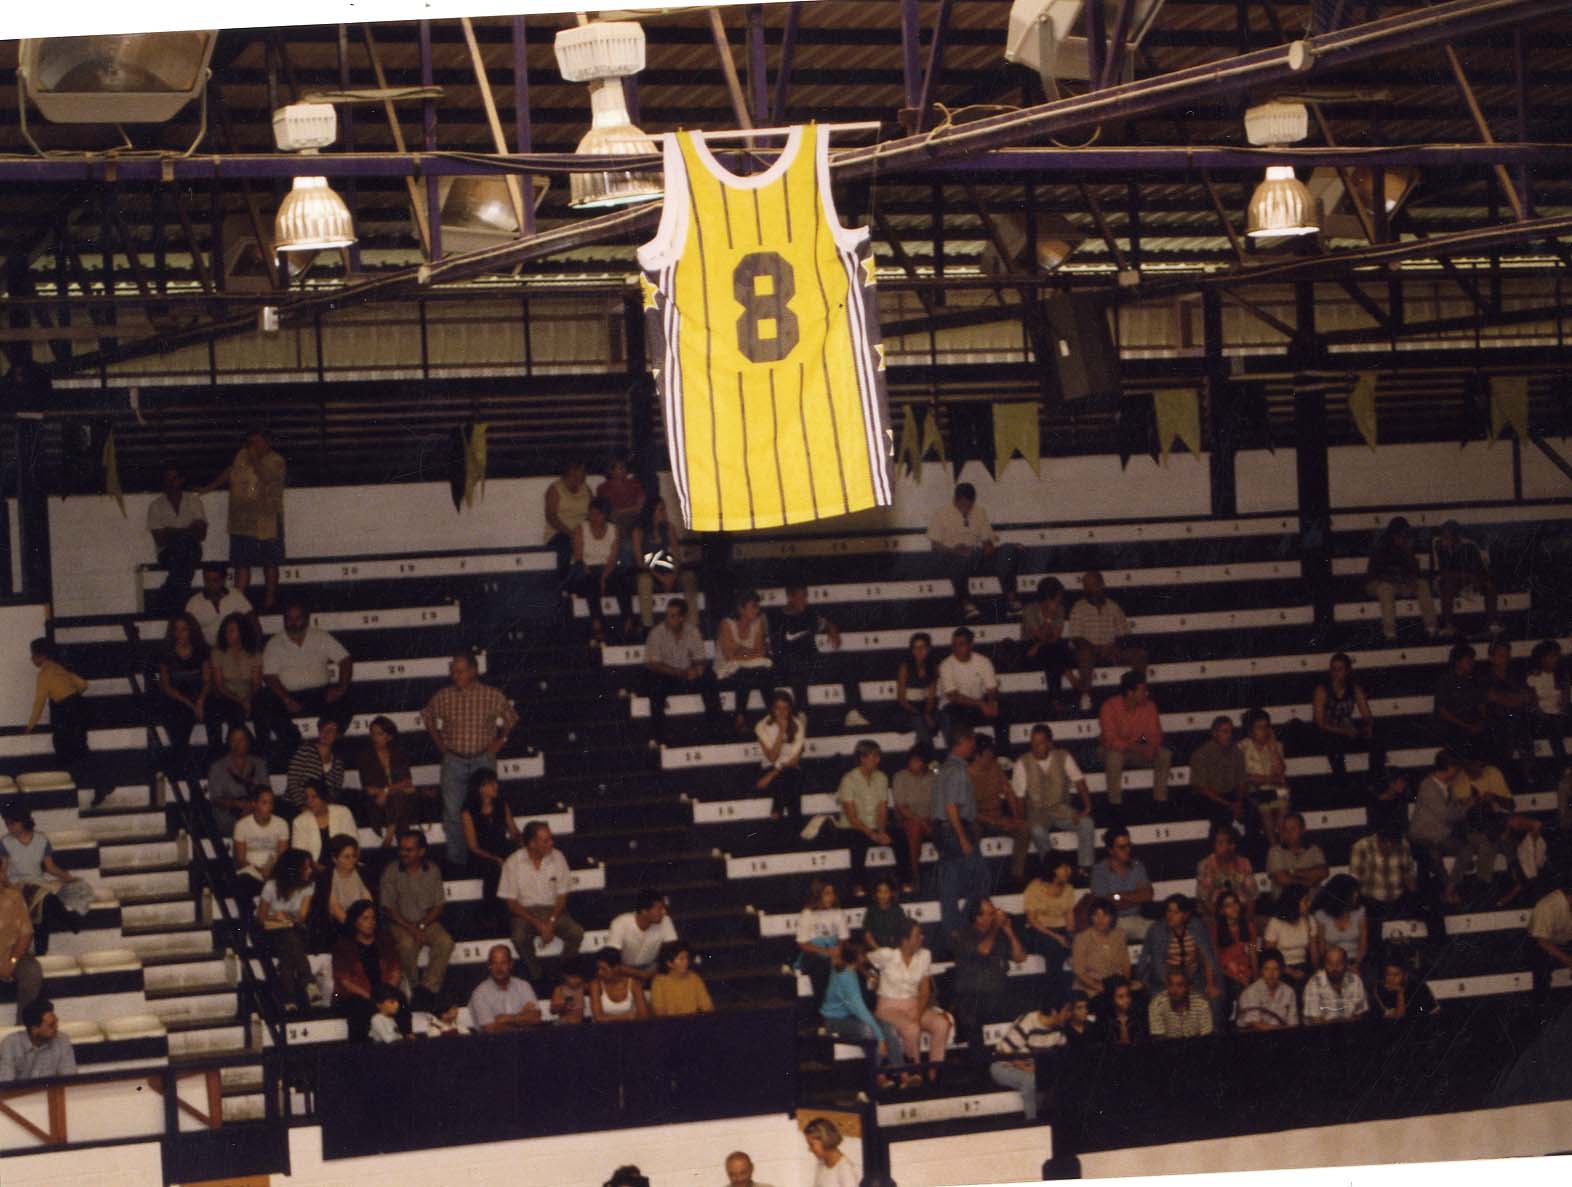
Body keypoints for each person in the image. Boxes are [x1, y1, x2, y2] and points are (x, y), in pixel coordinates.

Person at [420, 651, 518, 867]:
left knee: (486, 810)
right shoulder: (443, 696)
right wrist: (438, 742)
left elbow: (511, 719)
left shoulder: (492, 695)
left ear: (474, 671)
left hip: (483, 759)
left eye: (460, 671)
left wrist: (500, 742)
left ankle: (488, 859)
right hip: (453, 760)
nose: (455, 675)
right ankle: (458, 862)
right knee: (453, 813)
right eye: (452, 671)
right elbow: (427, 716)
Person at [256, 601, 353, 756]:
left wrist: (341, 688)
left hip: (319, 694)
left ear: (307, 619)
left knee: (347, 694)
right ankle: (293, 744)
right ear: (284, 621)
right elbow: (269, 676)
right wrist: (286, 698)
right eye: (289, 619)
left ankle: (327, 739)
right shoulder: (275, 643)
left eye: (298, 618)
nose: (293, 623)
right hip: (288, 695)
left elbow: (345, 660)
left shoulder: (320, 636)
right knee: (263, 699)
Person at [203, 426, 286, 609]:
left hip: (267, 520)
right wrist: (208, 488)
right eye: (250, 442)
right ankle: (238, 601)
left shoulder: (276, 460)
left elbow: (265, 478)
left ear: (266, 442)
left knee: (270, 561)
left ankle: (270, 599)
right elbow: (230, 472)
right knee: (242, 563)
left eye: (256, 442)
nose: (252, 446)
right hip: (241, 520)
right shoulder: (241, 455)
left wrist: (255, 459)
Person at [500, 821, 584, 983]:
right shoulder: (512, 862)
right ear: (532, 843)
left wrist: (551, 922)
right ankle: (536, 974)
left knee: (576, 933)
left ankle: (564, 970)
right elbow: (511, 903)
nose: (551, 843)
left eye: (550, 838)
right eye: (546, 840)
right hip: (525, 913)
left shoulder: (558, 857)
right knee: (518, 937)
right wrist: (538, 924)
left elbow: (562, 897)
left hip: (554, 910)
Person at [868, 918, 951, 1081]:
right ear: (904, 940)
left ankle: (935, 1071)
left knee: (942, 1024)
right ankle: (914, 1072)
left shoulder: (925, 955)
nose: (922, 938)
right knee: (912, 1029)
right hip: (888, 1008)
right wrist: (870, 976)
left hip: (914, 1005)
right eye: (917, 935)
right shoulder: (887, 955)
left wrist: (918, 1014)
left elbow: (925, 990)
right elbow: (860, 959)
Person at [773, 581, 863, 728]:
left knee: (846, 661)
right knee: (796, 664)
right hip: (791, 666)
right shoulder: (779, 618)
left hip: (814, 663)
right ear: (790, 597)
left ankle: (853, 712)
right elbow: (777, 649)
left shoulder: (809, 614)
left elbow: (826, 624)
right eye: (800, 597)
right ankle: (801, 713)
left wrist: (833, 631)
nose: (804, 600)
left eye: (806, 596)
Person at [926, 482, 1022, 622]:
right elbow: (935, 545)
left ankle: (1012, 599)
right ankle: (966, 603)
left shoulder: (979, 512)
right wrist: (954, 550)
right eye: (962, 505)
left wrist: (986, 548)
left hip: (977, 556)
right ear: (955, 500)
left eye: (969, 505)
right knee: (960, 559)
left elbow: (987, 542)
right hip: (953, 556)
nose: (966, 509)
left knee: (1008, 550)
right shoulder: (941, 514)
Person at [822, 939, 910, 1090]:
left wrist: (866, 973)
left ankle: (902, 1073)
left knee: (889, 1027)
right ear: (856, 959)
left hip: (851, 1014)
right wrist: (881, 1039)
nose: (865, 958)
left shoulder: (847, 967)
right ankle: (878, 1076)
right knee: (868, 1030)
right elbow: (860, 1010)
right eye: (862, 956)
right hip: (834, 1020)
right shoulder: (845, 978)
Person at [378, 829, 453, 1005]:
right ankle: (411, 987)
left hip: (427, 921)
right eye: (402, 849)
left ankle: (428, 989)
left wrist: (421, 926)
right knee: (407, 944)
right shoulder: (391, 871)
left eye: (409, 850)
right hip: (399, 922)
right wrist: (412, 928)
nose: (403, 853)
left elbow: (439, 905)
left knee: (445, 942)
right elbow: (389, 908)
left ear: (421, 851)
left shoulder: (432, 870)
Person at [1010, 724, 1097, 874]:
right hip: (1036, 811)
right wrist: (1022, 819)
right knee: (1037, 831)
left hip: (1061, 808)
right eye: (1033, 743)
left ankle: (1085, 867)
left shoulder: (1063, 756)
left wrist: (1087, 807)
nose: (1036, 747)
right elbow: (1019, 796)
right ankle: (1051, 867)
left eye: (1040, 743)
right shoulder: (1022, 763)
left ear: (1049, 743)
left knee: (1087, 824)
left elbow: (1079, 781)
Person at [931, 726, 989, 946]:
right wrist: (963, 837)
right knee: (981, 877)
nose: (973, 746)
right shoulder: (956, 770)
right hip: (955, 830)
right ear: (963, 742)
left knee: (950, 882)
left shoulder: (945, 768)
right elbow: (951, 806)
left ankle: (953, 931)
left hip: (943, 830)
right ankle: (963, 926)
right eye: (971, 742)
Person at [951, 897, 1028, 1060]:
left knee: (1027, 1006)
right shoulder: (964, 935)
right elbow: (984, 950)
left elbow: (1020, 957)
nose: (995, 916)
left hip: (998, 993)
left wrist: (1009, 932)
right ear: (978, 917)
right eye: (991, 914)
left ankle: (1018, 1058)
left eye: (994, 913)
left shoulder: (999, 933)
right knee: (970, 1014)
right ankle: (980, 1067)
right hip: (973, 995)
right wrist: (995, 927)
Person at [1, 806, 85, 954]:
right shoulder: (5, 842)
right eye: (7, 824)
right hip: (18, 885)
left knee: (44, 901)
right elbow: (3, 871)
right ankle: (69, 921)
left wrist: (69, 877)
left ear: (23, 821)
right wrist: (9, 887)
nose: (9, 827)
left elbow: (50, 867)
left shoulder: (41, 840)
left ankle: (41, 949)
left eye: (12, 823)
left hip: (38, 883)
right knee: (46, 899)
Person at [644, 597, 721, 746]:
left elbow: (700, 659)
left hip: (688, 675)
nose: (668, 619)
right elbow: (654, 664)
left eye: (673, 616)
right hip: (667, 676)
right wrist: (681, 673)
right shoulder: (656, 633)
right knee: (654, 680)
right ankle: (658, 735)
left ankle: (715, 731)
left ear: (682, 617)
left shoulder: (692, 631)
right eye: (667, 615)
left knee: (709, 677)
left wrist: (697, 671)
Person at [1067, 571, 1146, 714]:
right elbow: (1076, 638)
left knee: (1139, 655)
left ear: (1102, 585)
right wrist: (1096, 649)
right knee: (1084, 654)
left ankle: (1138, 693)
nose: (1091, 589)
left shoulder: (1113, 607)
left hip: (1111, 650)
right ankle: (1085, 695)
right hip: (1089, 651)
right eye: (1087, 586)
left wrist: (1115, 646)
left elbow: (1125, 635)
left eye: (1094, 585)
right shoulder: (1078, 608)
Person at [1137, 894, 1222, 1027]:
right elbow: (1158, 964)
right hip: (1169, 981)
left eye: (1175, 912)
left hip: (1236, 969)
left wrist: (1252, 969)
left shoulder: (1248, 927)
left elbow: (1252, 950)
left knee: (1220, 993)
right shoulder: (1158, 930)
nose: (1170, 915)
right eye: (1168, 911)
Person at [25, 639, 92, 800]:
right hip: (78, 706)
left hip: (66, 711)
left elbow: (39, 701)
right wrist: (70, 694)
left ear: (40, 656)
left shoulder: (44, 674)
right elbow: (83, 684)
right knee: (80, 748)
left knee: (63, 748)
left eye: (33, 656)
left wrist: (31, 725)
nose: (31, 659)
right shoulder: (58, 667)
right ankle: (99, 783)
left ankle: (67, 789)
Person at [332, 899, 407, 1040]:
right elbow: (345, 981)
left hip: (383, 994)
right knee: (360, 1007)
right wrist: (372, 999)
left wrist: (386, 996)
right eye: (365, 918)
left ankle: (406, 1038)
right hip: (355, 995)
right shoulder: (343, 946)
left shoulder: (385, 942)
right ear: (355, 922)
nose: (371, 922)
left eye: (373, 918)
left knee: (400, 1000)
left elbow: (396, 971)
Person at [153, 612, 218, 774]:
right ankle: (184, 771)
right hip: (177, 698)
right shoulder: (166, 653)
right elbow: (166, 686)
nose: (180, 633)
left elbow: (207, 681)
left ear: (191, 631)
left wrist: (200, 701)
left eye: (184, 629)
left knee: (214, 715)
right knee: (179, 724)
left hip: (198, 694)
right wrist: (189, 704)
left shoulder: (202, 650)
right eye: (177, 629)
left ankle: (215, 763)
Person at [990, 994, 1070, 1119]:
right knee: (1030, 1079)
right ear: (1054, 1012)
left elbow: (1060, 1054)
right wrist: (1030, 1067)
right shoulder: (1028, 1021)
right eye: (1067, 1010)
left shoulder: (1059, 1028)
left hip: (1035, 1067)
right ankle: (1032, 1122)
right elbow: (1003, 1054)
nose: (1069, 1014)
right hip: (1004, 1066)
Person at [566, 497, 633, 644]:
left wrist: (604, 578)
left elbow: (613, 558)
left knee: (622, 582)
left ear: (605, 515)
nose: (594, 517)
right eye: (592, 513)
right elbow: (579, 558)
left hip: (606, 568)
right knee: (591, 584)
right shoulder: (580, 529)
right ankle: (597, 622)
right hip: (585, 569)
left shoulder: (613, 529)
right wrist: (597, 578)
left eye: (598, 514)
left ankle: (628, 620)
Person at [1310, 653, 1384, 784]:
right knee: (1334, 744)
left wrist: (1368, 726)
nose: (1336, 673)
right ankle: (1342, 784)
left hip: (1346, 730)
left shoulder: (1354, 689)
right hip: (1327, 733)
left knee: (1377, 739)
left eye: (1340, 669)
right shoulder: (1322, 690)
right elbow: (1320, 723)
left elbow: (1367, 716)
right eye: (1333, 669)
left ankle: (1375, 779)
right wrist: (1343, 731)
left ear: (1348, 671)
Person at [969, 733, 1032, 888]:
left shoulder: (995, 767)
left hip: (997, 815)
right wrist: (996, 821)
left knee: (1024, 828)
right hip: (979, 819)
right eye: (988, 754)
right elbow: (969, 811)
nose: (991, 757)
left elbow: (1008, 792)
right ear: (977, 756)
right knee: (972, 830)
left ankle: (1017, 873)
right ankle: (975, 877)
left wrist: (1016, 817)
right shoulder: (966, 775)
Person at [1098, 671, 1171, 806]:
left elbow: (1155, 734)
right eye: (1143, 690)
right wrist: (1141, 747)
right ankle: (1115, 804)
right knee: (1115, 757)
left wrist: (1151, 747)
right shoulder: (1109, 706)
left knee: (1164, 755)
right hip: (1111, 749)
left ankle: (1160, 800)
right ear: (1130, 693)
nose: (1146, 693)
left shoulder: (1149, 706)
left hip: (1137, 749)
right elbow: (1111, 739)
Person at [631, 496, 701, 634]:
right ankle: (647, 626)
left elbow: (677, 556)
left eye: (664, 509)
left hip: (668, 570)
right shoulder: (638, 532)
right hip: (650, 572)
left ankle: (693, 624)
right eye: (661, 510)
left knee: (689, 577)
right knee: (644, 581)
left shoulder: (669, 528)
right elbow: (640, 561)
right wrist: (660, 577)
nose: (664, 513)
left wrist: (673, 575)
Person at [1410, 750, 1469, 908]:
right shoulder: (1427, 785)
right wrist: (1466, 807)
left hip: (1441, 836)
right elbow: (1447, 815)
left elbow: (1454, 811)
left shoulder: (1448, 787)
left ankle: (1449, 889)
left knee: (1466, 850)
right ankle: (1448, 891)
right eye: (1456, 768)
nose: (1457, 772)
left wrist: (1462, 807)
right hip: (1422, 836)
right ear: (1449, 768)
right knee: (1433, 854)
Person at [146, 463, 208, 613]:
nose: (170, 483)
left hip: (192, 550)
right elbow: (160, 540)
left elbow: (201, 534)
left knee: (186, 545)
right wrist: (188, 530)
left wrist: (172, 532)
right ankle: (178, 596)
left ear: (181, 480)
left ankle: (169, 591)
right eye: (167, 479)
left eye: (173, 478)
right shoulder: (155, 506)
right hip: (167, 554)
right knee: (185, 544)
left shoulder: (194, 501)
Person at [258, 849, 315, 1012]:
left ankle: (289, 1000)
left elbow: (302, 916)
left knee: (289, 940)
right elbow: (261, 917)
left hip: (296, 930)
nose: (309, 871)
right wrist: (279, 921)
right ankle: (308, 982)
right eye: (306, 868)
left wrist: (285, 917)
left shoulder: (308, 886)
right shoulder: (271, 886)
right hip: (272, 932)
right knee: (288, 941)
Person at [1366, 515, 1437, 642]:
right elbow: (1376, 574)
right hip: (1377, 583)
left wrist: (1408, 552)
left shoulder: (1406, 548)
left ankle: (1431, 627)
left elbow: (1415, 573)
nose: (1403, 537)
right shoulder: (1380, 547)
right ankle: (1390, 633)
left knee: (1422, 584)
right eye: (1400, 534)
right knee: (1386, 588)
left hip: (1399, 583)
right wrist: (1397, 579)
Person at [461, 769, 520, 920]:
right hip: (481, 854)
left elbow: (513, 831)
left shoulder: (501, 805)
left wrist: (526, 842)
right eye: (490, 784)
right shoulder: (468, 811)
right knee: (494, 869)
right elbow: (473, 847)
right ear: (480, 788)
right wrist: (495, 858)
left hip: (501, 848)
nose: (496, 786)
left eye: (495, 783)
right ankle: (492, 912)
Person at [715, 590, 776, 732]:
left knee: (759, 671)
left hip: (749, 667)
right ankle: (743, 716)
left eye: (757, 606)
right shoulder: (726, 624)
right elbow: (729, 656)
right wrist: (749, 653)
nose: (757, 609)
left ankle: (764, 715)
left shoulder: (758, 623)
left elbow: (761, 652)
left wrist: (741, 651)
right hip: (726, 668)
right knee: (748, 672)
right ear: (741, 609)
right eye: (753, 606)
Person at [357, 716, 421, 846]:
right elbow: (368, 788)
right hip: (379, 801)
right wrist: (388, 791)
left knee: (399, 796)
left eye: (379, 734)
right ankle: (403, 844)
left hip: (394, 798)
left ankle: (391, 829)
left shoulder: (399, 753)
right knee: (400, 796)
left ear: (389, 737)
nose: (375, 737)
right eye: (372, 733)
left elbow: (407, 781)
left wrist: (386, 791)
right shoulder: (365, 756)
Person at [1431, 519, 1500, 638]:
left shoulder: (1469, 546)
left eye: (1447, 536)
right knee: (1447, 585)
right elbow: (1442, 572)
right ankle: (1448, 626)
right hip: (1448, 580)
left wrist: (1472, 579)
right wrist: (1445, 550)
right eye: (1443, 535)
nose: (1444, 538)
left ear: (1456, 537)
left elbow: (1479, 571)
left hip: (1469, 580)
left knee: (1489, 585)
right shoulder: (1437, 544)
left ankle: (1492, 624)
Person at [1483, 640, 1536, 790]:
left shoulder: (1516, 675)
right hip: (1496, 724)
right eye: (1501, 655)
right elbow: (1493, 697)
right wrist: (1515, 699)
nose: (1505, 659)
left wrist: (1508, 698)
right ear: (1491, 658)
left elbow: (1528, 696)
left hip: (1517, 721)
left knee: (1523, 735)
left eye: (1507, 655)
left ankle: (1530, 779)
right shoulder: (1485, 678)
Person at [1090, 826, 1155, 941]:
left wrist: (1119, 896)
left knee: (1160, 932)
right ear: (1111, 850)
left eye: (1129, 845)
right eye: (1122, 847)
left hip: (1136, 919)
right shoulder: (1099, 870)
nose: (1127, 850)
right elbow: (1106, 904)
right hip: (1112, 922)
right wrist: (1135, 896)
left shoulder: (1137, 866)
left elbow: (1147, 895)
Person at [1526, 641, 1570, 812]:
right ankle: (1562, 766)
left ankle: (1563, 766)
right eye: (1551, 656)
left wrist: (1562, 712)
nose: (1555, 660)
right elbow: (1534, 704)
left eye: (1557, 656)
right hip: (1541, 717)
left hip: (1559, 715)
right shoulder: (1533, 677)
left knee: (1557, 723)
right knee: (1551, 725)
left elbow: (1566, 701)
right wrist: (1545, 715)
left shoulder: (1562, 676)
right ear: (1541, 658)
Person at [1348, 822, 1420, 926]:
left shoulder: (1403, 844)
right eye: (1386, 842)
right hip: (1371, 902)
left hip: (1397, 901)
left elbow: (1410, 876)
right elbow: (1353, 882)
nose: (1390, 845)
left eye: (1393, 842)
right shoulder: (1361, 847)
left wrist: (1415, 897)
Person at [936, 626, 1000, 742]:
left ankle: (1003, 755)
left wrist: (992, 703)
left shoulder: (983, 661)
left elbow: (992, 688)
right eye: (954, 645)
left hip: (976, 704)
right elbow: (953, 696)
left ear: (970, 645)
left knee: (1001, 711)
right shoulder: (946, 665)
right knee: (955, 715)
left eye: (961, 644)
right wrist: (981, 704)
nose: (957, 648)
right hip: (953, 705)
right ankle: (959, 755)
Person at [1188, 716, 1252, 831]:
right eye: (1225, 732)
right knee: (1220, 816)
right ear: (1214, 733)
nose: (1229, 735)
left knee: (1253, 812)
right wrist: (1228, 805)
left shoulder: (1237, 753)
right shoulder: (1201, 754)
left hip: (1231, 795)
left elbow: (1241, 781)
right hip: (1210, 797)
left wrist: (1239, 802)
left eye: (1231, 732)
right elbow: (1201, 787)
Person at [209, 612, 263, 743]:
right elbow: (219, 684)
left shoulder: (254, 652)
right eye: (226, 630)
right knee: (235, 713)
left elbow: (256, 683)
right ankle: (252, 746)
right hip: (227, 696)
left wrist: (247, 699)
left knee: (262, 708)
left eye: (232, 630)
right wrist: (239, 700)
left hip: (248, 695)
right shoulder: (218, 652)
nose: (227, 633)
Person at [1022, 577, 1074, 712]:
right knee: (1055, 652)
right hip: (1030, 646)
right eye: (1058, 596)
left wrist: (1040, 645)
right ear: (1049, 597)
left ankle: (1055, 700)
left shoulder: (1060, 610)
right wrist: (1049, 618)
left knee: (1053, 652)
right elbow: (1039, 635)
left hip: (1047, 647)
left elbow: (1056, 636)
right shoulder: (1030, 610)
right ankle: (1069, 676)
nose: (1060, 599)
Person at [205, 726, 268, 838]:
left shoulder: (259, 764)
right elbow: (215, 798)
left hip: (255, 810)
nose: (238, 744)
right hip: (228, 814)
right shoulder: (218, 767)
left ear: (248, 742)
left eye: (242, 739)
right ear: (228, 743)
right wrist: (237, 805)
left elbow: (266, 792)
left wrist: (251, 807)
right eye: (234, 740)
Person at [0, 851, 43, 1017]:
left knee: (32, 971)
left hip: (11, 955)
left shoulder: (13, 897)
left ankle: (24, 1026)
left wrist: (11, 962)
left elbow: (26, 934)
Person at [1240, 709, 1290, 846]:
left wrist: (1273, 748)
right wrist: (1271, 779)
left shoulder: (1276, 745)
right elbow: (1248, 778)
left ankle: (1281, 842)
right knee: (1265, 806)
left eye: (1267, 726)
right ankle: (1274, 846)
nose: (1264, 731)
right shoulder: (1242, 747)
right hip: (1252, 791)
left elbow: (1281, 773)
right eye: (1259, 727)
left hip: (1273, 790)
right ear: (1250, 731)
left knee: (1283, 799)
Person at [756, 690, 807, 826]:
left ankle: (776, 812)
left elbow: (794, 760)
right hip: (769, 767)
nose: (782, 712)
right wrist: (781, 732)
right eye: (778, 708)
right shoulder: (762, 726)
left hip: (786, 769)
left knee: (788, 776)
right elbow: (772, 757)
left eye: (785, 708)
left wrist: (774, 774)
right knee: (790, 780)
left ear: (790, 709)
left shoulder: (798, 724)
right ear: (772, 709)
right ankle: (795, 823)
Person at [795, 878, 849, 1003]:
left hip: (835, 951)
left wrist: (837, 953)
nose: (831, 897)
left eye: (832, 893)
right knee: (820, 968)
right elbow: (802, 944)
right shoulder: (807, 914)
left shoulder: (838, 912)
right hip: (814, 952)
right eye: (827, 894)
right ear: (818, 895)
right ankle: (823, 1009)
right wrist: (825, 951)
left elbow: (843, 938)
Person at [608, 888, 679, 983]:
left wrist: (651, 972)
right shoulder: (620, 923)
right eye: (659, 909)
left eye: (664, 908)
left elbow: (671, 953)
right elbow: (612, 961)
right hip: (625, 970)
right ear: (644, 911)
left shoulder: (665, 921)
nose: (664, 912)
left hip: (653, 969)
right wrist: (641, 975)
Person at [1022, 855, 1078, 972]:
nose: (1069, 871)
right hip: (1039, 931)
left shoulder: (1068, 888)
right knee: (1054, 948)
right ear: (1054, 869)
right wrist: (1057, 937)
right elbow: (1032, 920)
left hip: (1061, 929)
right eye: (1064, 867)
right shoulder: (1035, 887)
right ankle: (1053, 987)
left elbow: (1069, 917)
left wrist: (1070, 936)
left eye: (1069, 867)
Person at [889, 747, 934, 893]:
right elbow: (901, 807)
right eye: (912, 760)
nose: (914, 764)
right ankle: (913, 875)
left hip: (929, 819)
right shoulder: (900, 777)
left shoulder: (933, 778)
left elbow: (938, 804)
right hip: (908, 820)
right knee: (914, 828)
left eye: (918, 761)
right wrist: (921, 821)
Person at [467, 943, 541, 1032]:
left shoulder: (523, 986)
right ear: (489, 966)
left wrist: (505, 1019)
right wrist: (521, 1017)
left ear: (511, 964)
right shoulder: (479, 993)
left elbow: (536, 1017)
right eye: (495, 963)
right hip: (493, 1044)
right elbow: (490, 1028)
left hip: (525, 1041)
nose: (499, 968)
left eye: (503, 963)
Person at [1526, 873, 1572, 1010]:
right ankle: (1540, 1006)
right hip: (1541, 942)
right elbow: (1541, 941)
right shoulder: (1546, 906)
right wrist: (1567, 959)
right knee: (1539, 961)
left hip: (1564, 940)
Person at [1434, 642, 1489, 755]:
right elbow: (1442, 711)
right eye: (1468, 659)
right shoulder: (1446, 681)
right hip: (1454, 726)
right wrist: (1465, 725)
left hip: (1473, 724)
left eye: (1472, 659)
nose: (1471, 663)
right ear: (1457, 661)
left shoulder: (1475, 681)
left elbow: (1482, 705)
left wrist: (1481, 722)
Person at [0, 999, 76, 1081]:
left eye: (56, 1022)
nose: (56, 1028)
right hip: (21, 1093)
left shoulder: (62, 1040)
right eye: (51, 1025)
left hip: (50, 1092)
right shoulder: (10, 1044)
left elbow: (70, 1079)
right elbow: (6, 1083)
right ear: (34, 1029)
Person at [1194, 823, 1258, 918]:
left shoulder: (1244, 863)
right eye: (1216, 843)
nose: (1216, 847)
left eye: (1220, 843)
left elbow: (1252, 896)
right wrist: (1224, 920)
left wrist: (1248, 920)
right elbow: (1204, 899)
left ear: (1232, 846)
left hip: (1240, 913)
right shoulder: (1206, 865)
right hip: (1214, 914)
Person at [1211, 890, 1258, 1020]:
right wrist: (1235, 976)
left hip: (1246, 971)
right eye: (1228, 905)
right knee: (1236, 989)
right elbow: (1216, 960)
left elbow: (1253, 953)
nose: (1233, 908)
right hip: (1226, 973)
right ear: (1221, 911)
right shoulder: (1215, 929)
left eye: (1235, 903)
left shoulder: (1249, 926)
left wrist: (1256, 977)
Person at [1071, 897, 1131, 996]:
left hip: (1114, 984)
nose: (1100, 919)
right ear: (1091, 917)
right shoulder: (1081, 938)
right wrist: (1102, 988)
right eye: (1096, 915)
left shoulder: (1119, 935)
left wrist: (1123, 986)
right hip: (1089, 987)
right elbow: (1079, 972)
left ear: (1112, 917)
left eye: (1105, 915)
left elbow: (1126, 965)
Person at [232, 787, 288, 893]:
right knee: (242, 881)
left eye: (271, 803)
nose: (269, 807)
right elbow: (240, 861)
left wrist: (271, 871)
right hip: (251, 872)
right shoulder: (242, 825)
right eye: (264, 803)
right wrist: (260, 871)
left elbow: (282, 856)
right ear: (254, 804)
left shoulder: (281, 824)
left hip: (274, 871)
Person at [284, 720, 345, 817]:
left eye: (331, 731)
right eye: (323, 730)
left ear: (337, 735)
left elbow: (336, 790)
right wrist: (302, 805)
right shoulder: (305, 751)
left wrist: (325, 807)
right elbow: (293, 781)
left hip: (322, 808)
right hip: (297, 805)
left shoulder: (337, 762)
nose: (326, 733)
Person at [1266, 812, 1329, 904]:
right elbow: (1282, 879)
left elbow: (1323, 872)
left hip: (1312, 903)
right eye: (1285, 829)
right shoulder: (1275, 851)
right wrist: (1307, 881)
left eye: (1293, 828)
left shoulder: (1314, 850)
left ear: (1303, 830)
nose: (1288, 833)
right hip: (1285, 905)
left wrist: (1292, 872)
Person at [186, 563, 253, 650]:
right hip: (206, 650)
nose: (210, 585)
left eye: (214, 580)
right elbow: (188, 632)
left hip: (235, 649)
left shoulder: (235, 596)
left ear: (223, 580)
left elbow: (252, 622)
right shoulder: (194, 602)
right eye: (207, 580)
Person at [1312, 874, 1370, 974]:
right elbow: (1321, 946)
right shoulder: (1321, 915)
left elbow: (1363, 944)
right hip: (1332, 963)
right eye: (1353, 892)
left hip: (1355, 961)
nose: (1356, 895)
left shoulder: (1360, 911)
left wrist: (1356, 965)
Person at [1263, 885, 1318, 990]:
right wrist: (1291, 972)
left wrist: (1316, 972)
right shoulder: (1275, 923)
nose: (1309, 904)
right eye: (1305, 901)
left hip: (1303, 966)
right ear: (1294, 902)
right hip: (1281, 968)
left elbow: (1314, 953)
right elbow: (1269, 955)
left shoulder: (1309, 920)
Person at [288, 779, 356, 863]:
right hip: (314, 870)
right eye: (307, 797)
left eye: (314, 797)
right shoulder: (299, 822)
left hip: (344, 866)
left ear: (323, 797)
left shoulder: (343, 812)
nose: (309, 801)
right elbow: (300, 856)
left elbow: (355, 845)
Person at [317, 835, 371, 939]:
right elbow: (336, 910)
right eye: (346, 856)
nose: (352, 860)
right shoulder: (325, 878)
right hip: (338, 928)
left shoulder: (363, 873)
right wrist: (359, 929)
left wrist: (366, 926)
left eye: (354, 856)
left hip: (366, 925)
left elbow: (369, 904)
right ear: (334, 859)